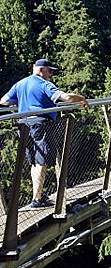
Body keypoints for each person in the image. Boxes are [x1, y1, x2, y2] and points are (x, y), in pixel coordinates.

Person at [0, 59, 88, 208]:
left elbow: (3, 101)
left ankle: (37, 196)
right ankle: (36, 199)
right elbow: (66, 98)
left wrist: (20, 102)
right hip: (41, 124)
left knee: (34, 161)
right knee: (42, 161)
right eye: (50, 71)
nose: (51, 75)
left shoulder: (21, 84)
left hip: (23, 125)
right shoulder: (43, 84)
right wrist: (81, 99)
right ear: (42, 70)